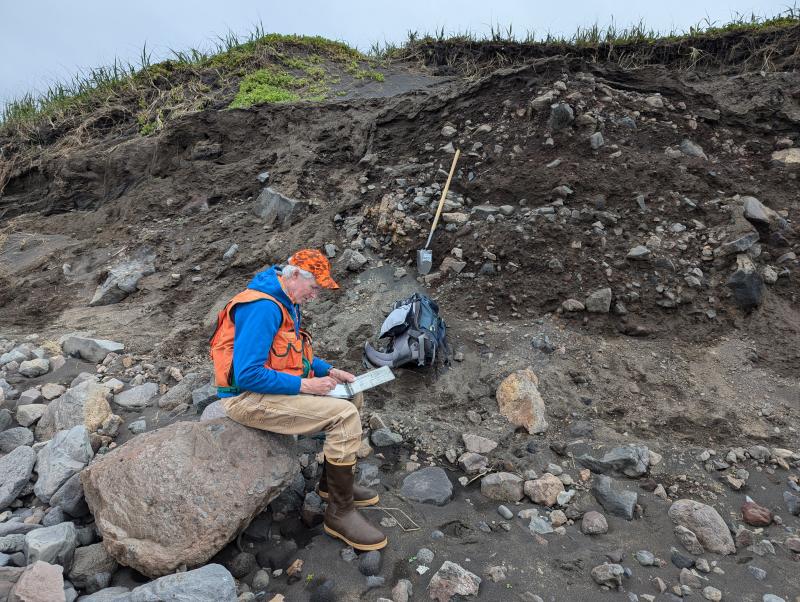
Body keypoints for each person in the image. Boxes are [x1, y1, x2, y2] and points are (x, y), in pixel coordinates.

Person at [210, 249, 387, 551]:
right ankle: (339, 515)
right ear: (293, 275)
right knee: (343, 417)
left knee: (352, 397)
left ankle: (331, 487)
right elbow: (248, 374)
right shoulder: (263, 308)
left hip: (268, 389)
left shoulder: (286, 300)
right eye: (315, 287)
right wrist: (306, 385)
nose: (315, 295)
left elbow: (290, 354)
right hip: (246, 398)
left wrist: (329, 370)